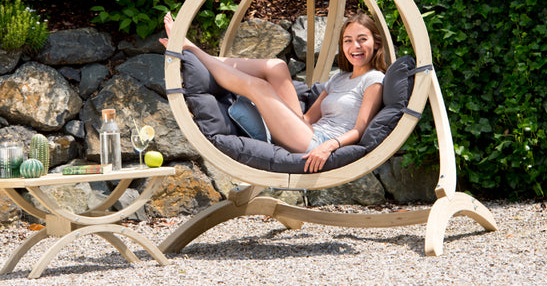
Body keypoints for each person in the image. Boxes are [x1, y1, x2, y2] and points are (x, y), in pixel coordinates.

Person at [163, 11, 386, 172]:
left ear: (376, 43)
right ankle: (200, 56)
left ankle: (190, 48)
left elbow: (359, 129)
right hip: (307, 131)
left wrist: (330, 146)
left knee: (259, 87)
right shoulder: (339, 78)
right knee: (276, 66)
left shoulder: (374, 79)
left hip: (320, 143)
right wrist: (273, 111)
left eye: (362, 40)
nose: (355, 47)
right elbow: (307, 119)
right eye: (348, 41)